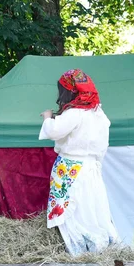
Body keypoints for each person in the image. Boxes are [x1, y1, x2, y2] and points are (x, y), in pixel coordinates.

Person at [39, 68, 119, 254]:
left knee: (75, 213)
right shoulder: (99, 114)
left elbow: (54, 131)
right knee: (91, 208)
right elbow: (102, 146)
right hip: (90, 167)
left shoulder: (75, 112)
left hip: (71, 167)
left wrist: (48, 117)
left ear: (68, 91)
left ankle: (78, 251)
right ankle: (101, 249)